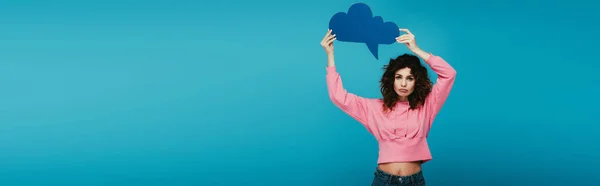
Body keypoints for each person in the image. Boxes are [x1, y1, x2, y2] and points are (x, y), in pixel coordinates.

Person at [319, 28, 457, 186]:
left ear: (416, 82)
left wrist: (415, 49)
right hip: (384, 180)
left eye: (410, 78)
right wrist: (330, 56)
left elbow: (449, 74)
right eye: (398, 77)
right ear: (391, 80)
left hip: (415, 181)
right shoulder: (374, 108)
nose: (403, 83)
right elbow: (338, 96)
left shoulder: (426, 106)